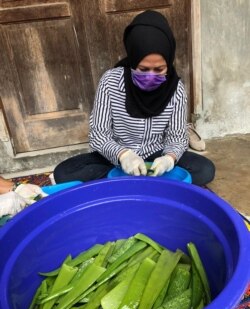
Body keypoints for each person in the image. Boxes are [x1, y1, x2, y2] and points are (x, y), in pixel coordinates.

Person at [54, 10, 215, 186]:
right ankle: (150, 184)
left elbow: (176, 137)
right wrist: (124, 155)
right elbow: (99, 133)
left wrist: (169, 158)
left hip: (156, 154)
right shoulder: (110, 82)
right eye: (143, 69)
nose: (151, 76)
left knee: (205, 169)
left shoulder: (176, 89)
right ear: (132, 61)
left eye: (159, 69)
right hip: (116, 157)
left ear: (168, 64)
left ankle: (121, 183)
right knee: (64, 173)